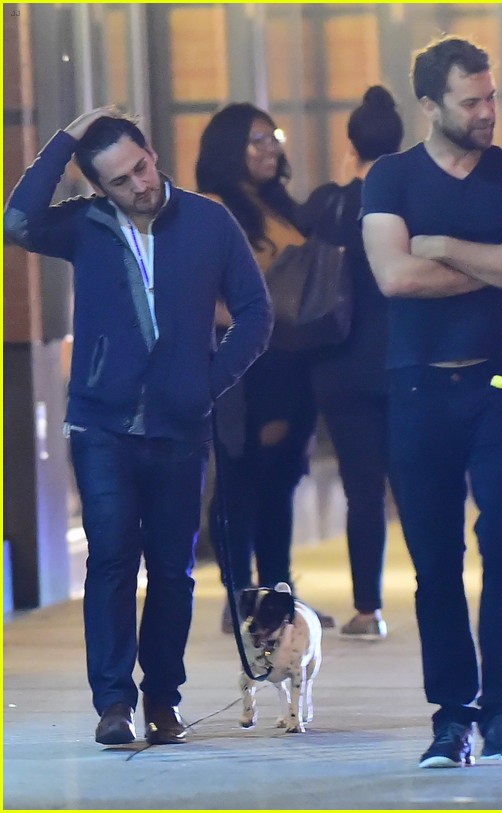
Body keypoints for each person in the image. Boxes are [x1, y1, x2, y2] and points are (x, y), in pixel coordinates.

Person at [3, 107, 272, 745]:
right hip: (101, 423)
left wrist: (206, 382)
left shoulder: (208, 221)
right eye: (120, 181)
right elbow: (16, 222)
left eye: (142, 167)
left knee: (173, 569)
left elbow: (256, 313)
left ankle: (162, 698)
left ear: (153, 154)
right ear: (99, 187)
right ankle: (114, 704)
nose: (139, 185)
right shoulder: (85, 225)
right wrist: (65, 139)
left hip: (181, 427)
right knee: (112, 559)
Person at [361, 36, 502, 768]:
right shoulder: (391, 178)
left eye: (491, 97)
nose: (486, 112)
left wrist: (442, 244)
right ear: (430, 105)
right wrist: (496, 262)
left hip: (501, 383)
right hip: (418, 387)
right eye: (470, 101)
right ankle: (452, 716)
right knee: (435, 560)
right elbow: (395, 277)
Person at [196, 103, 332, 630]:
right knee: (244, 478)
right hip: (250, 363)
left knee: (282, 478)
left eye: (272, 136)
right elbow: (198, 293)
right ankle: (240, 596)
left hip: (296, 359)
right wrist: (252, 322)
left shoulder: (279, 205)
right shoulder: (213, 208)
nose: (270, 147)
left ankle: (278, 594)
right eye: (256, 140)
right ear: (228, 147)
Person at [298, 86, 404, 639]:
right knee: (415, 486)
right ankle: (437, 590)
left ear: (351, 145)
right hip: (404, 363)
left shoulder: (328, 204)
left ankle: (369, 609)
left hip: (339, 365)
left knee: (362, 490)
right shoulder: (410, 200)